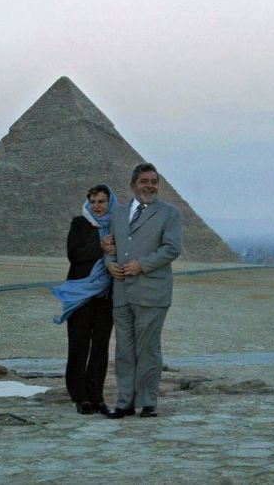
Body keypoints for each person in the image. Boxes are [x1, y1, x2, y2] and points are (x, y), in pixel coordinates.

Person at [104, 163, 182, 418]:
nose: (150, 186)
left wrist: (142, 265)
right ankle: (125, 402)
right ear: (133, 185)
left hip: (152, 292)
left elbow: (172, 248)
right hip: (122, 291)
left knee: (147, 350)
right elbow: (110, 246)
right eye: (144, 181)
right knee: (124, 352)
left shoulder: (169, 214)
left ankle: (148, 402)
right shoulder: (119, 213)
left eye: (154, 181)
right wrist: (110, 264)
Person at [51, 184, 116, 416]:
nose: (97, 206)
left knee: (100, 346)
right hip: (80, 293)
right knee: (79, 345)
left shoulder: (117, 226)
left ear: (110, 202)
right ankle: (80, 397)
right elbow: (74, 255)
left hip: (107, 294)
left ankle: (97, 396)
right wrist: (99, 247)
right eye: (93, 201)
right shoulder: (80, 223)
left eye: (102, 201)